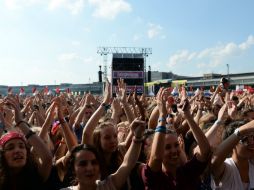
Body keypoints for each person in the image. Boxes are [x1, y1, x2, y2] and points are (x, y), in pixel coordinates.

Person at [142, 87, 211, 190]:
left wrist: (187, 115)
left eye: (176, 145)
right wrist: (162, 115)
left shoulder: (186, 172)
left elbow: (205, 150)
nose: (174, 150)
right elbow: (156, 158)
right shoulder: (154, 177)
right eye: (167, 147)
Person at [60, 118, 146, 190]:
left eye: (94, 163)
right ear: (73, 169)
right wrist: (104, 105)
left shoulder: (106, 187)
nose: (90, 168)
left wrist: (138, 136)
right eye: (83, 164)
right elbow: (86, 133)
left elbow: (127, 164)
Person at [0, 97, 52, 190]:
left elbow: (47, 158)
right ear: (2, 154)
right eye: (10, 148)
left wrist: (20, 122)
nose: (17, 150)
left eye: (22, 146)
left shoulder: (35, 175)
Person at [211, 119, 254, 190]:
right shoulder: (227, 167)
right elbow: (214, 161)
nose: (252, 142)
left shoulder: (252, 163)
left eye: (253, 137)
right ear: (232, 144)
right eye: (245, 139)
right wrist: (240, 131)